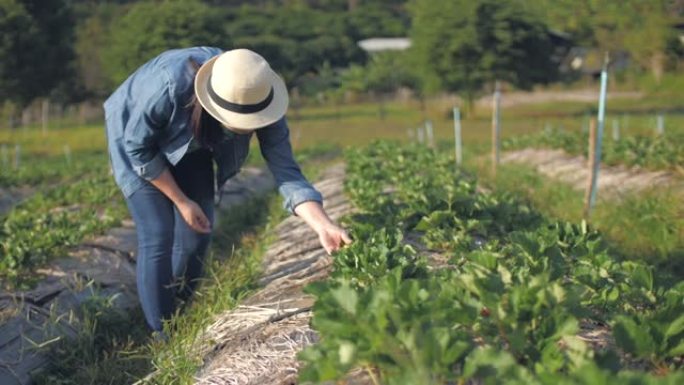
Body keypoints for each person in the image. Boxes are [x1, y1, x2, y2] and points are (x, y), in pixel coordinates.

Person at [104, 47, 351, 333]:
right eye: (240, 122)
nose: (249, 128)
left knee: (198, 232)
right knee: (158, 232)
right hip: (135, 137)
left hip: (195, 140)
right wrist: (182, 201)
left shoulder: (258, 93)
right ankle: (162, 332)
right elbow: (139, 149)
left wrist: (323, 225)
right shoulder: (168, 87)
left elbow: (287, 172)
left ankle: (179, 307)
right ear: (214, 106)